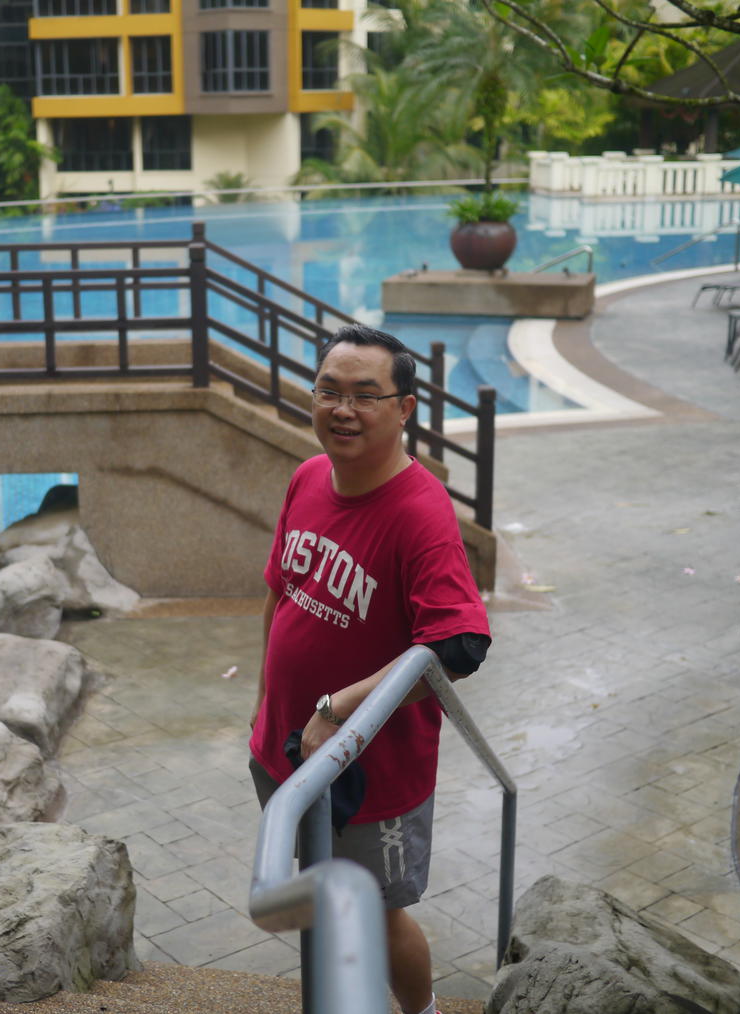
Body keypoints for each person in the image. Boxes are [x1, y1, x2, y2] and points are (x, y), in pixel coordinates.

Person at [248, 323, 491, 1014]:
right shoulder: (307, 476)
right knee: (321, 889)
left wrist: (337, 709)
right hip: (285, 749)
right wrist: (266, 696)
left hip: (370, 774)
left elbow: (459, 647)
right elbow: (280, 589)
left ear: (404, 408)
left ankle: (420, 1011)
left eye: (365, 395)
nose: (343, 409)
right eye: (329, 391)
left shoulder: (420, 514)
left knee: (379, 915)